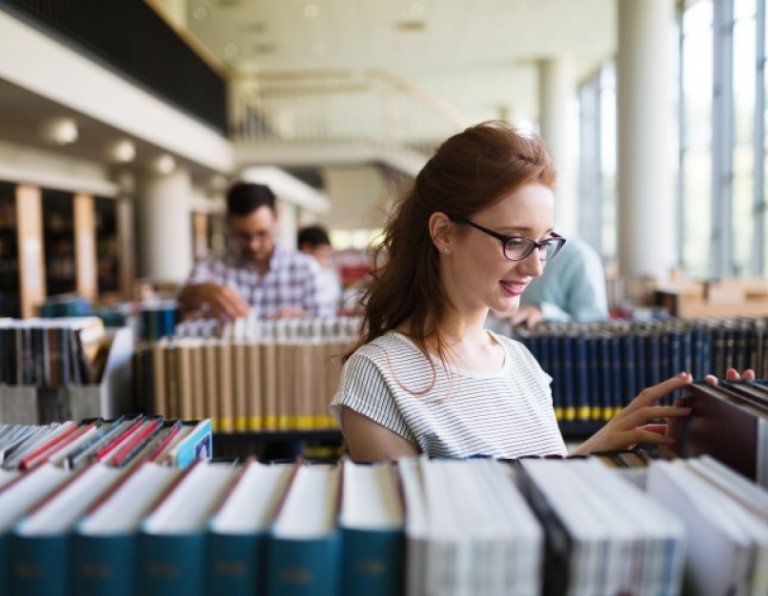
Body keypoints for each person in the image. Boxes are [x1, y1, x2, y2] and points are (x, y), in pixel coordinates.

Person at [330, 120, 753, 462]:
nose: (535, 266)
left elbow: (536, 496)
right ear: (443, 232)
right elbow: (438, 543)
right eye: (514, 240)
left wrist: (599, 448)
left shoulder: (520, 363)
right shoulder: (378, 376)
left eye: (544, 242)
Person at [178, 181, 331, 320]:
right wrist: (204, 291)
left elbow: (327, 324)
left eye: (262, 233)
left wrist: (296, 326)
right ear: (229, 223)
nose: (254, 245)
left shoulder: (307, 268)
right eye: (243, 236)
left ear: (276, 218)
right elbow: (183, 299)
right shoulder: (211, 266)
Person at [509, 236, 608, 328]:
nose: (537, 271)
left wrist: (544, 313)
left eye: (543, 246)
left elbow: (595, 324)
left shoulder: (580, 256)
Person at [298, 224, 342, 316]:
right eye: (322, 251)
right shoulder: (307, 266)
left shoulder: (326, 273)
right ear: (306, 247)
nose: (326, 256)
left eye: (328, 252)